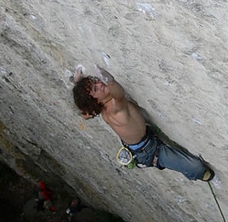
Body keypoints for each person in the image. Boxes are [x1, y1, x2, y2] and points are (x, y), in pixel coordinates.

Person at [72, 66, 214, 182]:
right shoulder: (114, 108)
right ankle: (196, 175)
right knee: (197, 168)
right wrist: (110, 80)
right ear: (95, 100)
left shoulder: (97, 108)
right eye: (96, 89)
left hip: (141, 145)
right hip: (149, 152)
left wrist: (78, 82)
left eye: (96, 82)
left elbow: (86, 114)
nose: (99, 84)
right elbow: (119, 94)